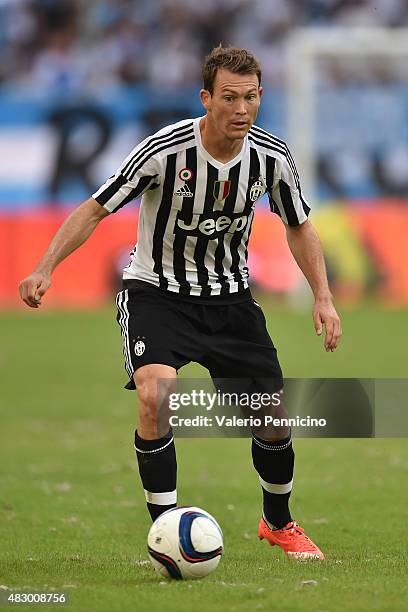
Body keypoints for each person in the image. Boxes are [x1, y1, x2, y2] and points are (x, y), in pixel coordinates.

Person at [19, 46, 341, 560]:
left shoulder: (272, 158)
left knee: (272, 418)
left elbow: (299, 225)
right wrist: (45, 266)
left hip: (230, 300)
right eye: (230, 98)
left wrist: (323, 298)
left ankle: (278, 523)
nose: (241, 109)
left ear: (261, 97)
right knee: (156, 395)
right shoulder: (164, 151)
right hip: (156, 294)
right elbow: (95, 208)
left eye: (251, 97)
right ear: (205, 98)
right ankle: (166, 530)